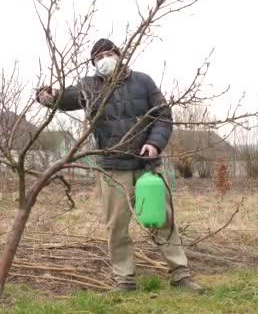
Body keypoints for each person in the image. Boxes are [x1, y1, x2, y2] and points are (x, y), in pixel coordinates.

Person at [37, 38, 204, 293]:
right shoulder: (89, 87)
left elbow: (163, 116)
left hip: (147, 165)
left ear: (119, 55)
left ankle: (181, 275)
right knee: (116, 226)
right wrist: (47, 96)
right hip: (113, 168)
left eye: (108, 54)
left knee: (162, 220)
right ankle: (124, 279)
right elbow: (63, 98)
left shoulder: (143, 82)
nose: (104, 59)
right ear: (93, 63)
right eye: (98, 57)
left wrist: (155, 144)